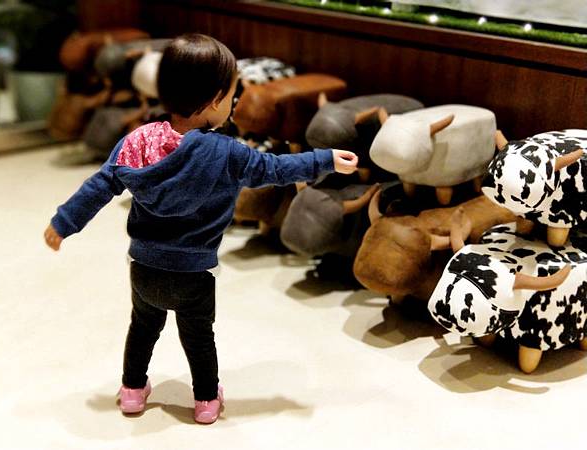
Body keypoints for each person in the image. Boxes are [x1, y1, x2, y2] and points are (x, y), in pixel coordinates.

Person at [43, 33, 358, 425]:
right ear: (213, 101)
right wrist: (324, 159)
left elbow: (100, 185)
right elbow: (275, 169)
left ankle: (131, 391)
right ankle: (206, 401)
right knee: (198, 339)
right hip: (193, 274)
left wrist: (63, 222)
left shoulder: (137, 142)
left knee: (142, 329)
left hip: (144, 268)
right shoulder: (227, 153)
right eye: (231, 95)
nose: (234, 103)